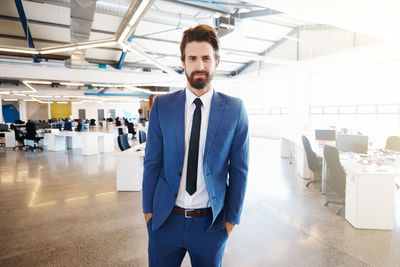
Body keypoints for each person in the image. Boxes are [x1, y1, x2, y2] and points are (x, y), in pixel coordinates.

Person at [142, 24, 249, 267]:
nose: (200, 66)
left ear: (216, 63)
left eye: (206, 58)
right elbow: (152, 162)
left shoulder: (235, 110)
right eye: (192, 58)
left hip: (211, 225)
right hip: (165, 221)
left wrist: (232, 221)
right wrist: (148, 212)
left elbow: (240, 170)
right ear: (183, 62)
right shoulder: (162, 105)